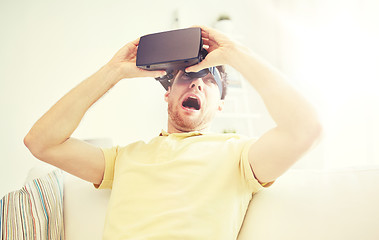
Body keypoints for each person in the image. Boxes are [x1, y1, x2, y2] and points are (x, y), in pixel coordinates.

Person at [24, 25, 322, 239]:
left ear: (220, 106)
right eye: (187, 76)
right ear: (167, 94)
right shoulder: (124, 158)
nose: (196, 83)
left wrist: (235, 54)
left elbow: (305, 129)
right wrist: (112, 71)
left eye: (209, 81)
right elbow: (40, 142)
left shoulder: (239, 155)